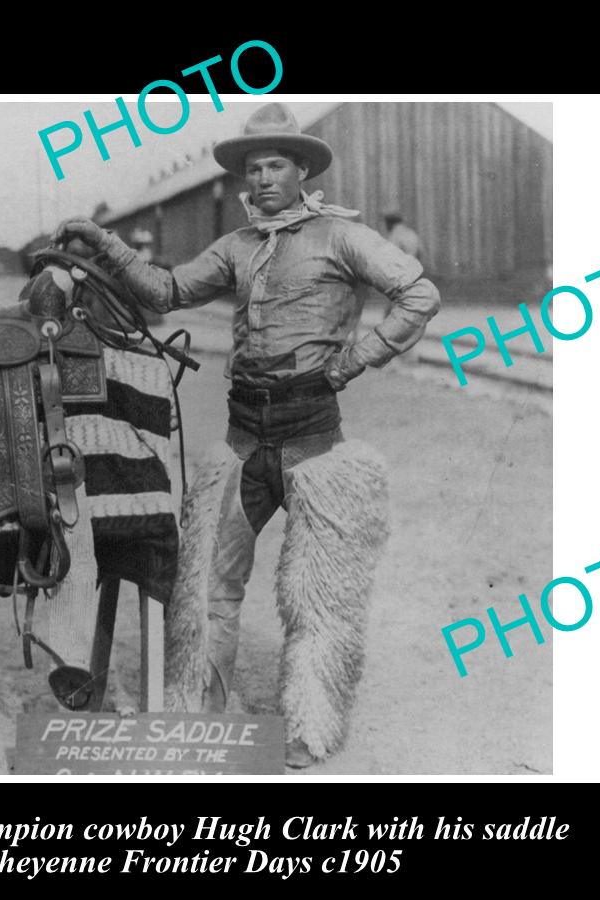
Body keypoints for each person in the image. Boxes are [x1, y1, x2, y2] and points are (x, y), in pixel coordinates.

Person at [54, 102, 440, 769]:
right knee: (204, 587)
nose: (262, 179)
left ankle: (310, 732)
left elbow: (418, 293)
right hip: (240, 436)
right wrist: (106, 245)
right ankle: (201, 717)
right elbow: (169, 289)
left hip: (315, 440)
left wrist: (354, 358)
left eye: (275, 166)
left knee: (319, 598)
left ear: (301, 172)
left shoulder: (340, 237)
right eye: (254, 167)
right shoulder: (237, 246)